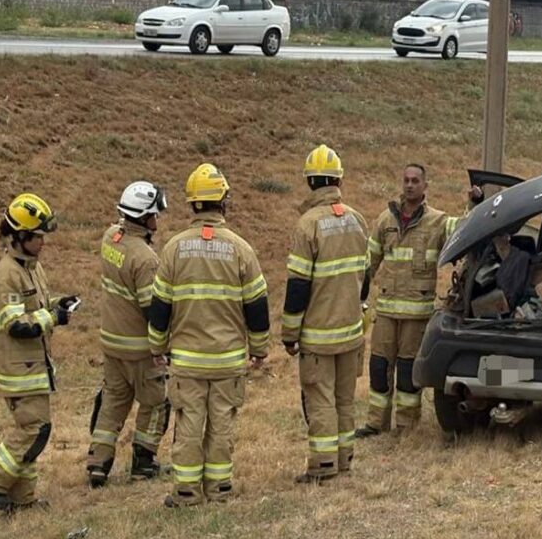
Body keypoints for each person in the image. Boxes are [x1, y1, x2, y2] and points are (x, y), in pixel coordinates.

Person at [149, 164, 269, 507]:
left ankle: (186, 492)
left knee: (188, 424)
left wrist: (157, 345)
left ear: (192, 204)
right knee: (221, 426)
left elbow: (160, 307)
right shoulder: (241, 249)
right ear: (223, 202)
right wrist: (259, 349)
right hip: (228, 361)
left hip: (187, 362)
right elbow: (257, 306)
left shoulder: (173, 249)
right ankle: (219, 490)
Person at [0, 194, 78, 512]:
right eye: (36, 236)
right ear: (19, 236)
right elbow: (15, 324)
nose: (42, 242)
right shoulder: (8, 274)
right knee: (35, 430)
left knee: (31, 430)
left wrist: (57, 305)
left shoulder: (31, 268)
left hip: (35, 366)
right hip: (18, 369)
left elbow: (35, 307)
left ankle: (22, 498)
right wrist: (52, 318)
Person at [281, 144, 368, 483]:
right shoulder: (356, 219)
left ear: (310, 183)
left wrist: (289, 335)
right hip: (350, 331)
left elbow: (298, 287)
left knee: (320, 402)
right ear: (338, 180)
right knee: (345, 401)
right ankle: (345, 459)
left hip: (318, 336)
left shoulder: (308, 226)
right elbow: (365, 274)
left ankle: (323, 466)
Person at [355, 164, 459, 437]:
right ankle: (376, 423)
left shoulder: (438, 221)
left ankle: (406, 426)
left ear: (426, 186)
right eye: (406, 180)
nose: (410, 185)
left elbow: (465, 229)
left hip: (417, 314)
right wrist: (358, 298)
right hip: (387, 311)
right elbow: (368, 264)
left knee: (407, 372)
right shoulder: (384, 221)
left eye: (415, 181)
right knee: (378, 367)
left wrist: (476, 202)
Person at [86, 181, 169, 488]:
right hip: (140, 350)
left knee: (112, 402)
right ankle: (143, 463)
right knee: (156, 402)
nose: (158, 220)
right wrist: (165, 343)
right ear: (145, 216)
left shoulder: (111, 238)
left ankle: (97, 463)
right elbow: (152, 310)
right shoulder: (145, 259)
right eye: (155, 214)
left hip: (111, 343)